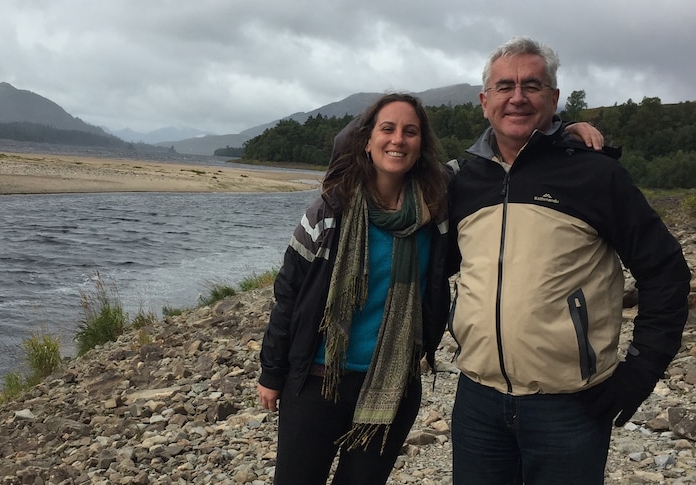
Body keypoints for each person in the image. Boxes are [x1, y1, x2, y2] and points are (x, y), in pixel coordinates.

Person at [446, 36, 691, 484]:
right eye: (504, 87)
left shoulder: (594, 173)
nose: (517, 97)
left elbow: (666, 271)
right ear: (485, 102)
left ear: (553, 98)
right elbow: (390, 181)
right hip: (477, 400)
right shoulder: (463, 180)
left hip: (569, 408)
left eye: (532, 85)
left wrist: (638, 373)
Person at [257, 93, 452, 485]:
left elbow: (502, 163)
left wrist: (564, 130)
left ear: (421, 145)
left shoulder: (437, 212)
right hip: (316, 381)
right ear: (366, 140)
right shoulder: (330, 210)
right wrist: (271, 371)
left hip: (391, 386)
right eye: (388, 129)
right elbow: (288, 294)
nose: (398, 139)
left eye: (410, 131)